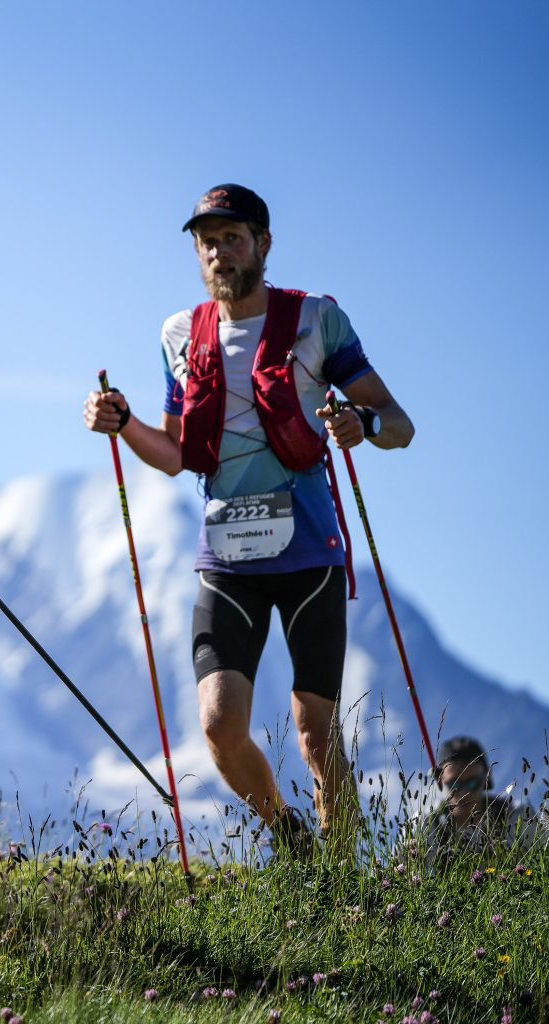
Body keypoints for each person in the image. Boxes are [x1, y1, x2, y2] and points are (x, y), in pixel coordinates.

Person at [83, 183, 415, 853]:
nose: (218, 252)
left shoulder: (318, 320)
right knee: (217, 725)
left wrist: (361, 423)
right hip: (226, 558)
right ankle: (291, 836)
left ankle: (340, 884)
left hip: (308, 555)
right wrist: (122, 426)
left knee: (314, 731)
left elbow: (398, 424)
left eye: (232, 238)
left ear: (263, 244)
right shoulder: (179, 333)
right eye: (206, 241)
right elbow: (177, 452)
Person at [420, 736, 543, 866]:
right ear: (440, 781)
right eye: (454, 785)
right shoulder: (424, 825)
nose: (464, 793)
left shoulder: (517, 814)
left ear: (486, 776)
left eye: (473, 783)